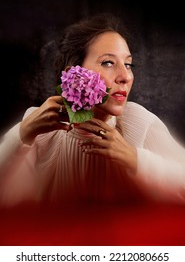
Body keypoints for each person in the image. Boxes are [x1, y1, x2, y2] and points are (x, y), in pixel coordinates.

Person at [0, 12, 185, 208]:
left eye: (128, 64)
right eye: (108, 62)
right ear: (73, 73)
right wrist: (20, 136)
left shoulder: (139, 124)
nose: (126, 76)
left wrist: (135, 159)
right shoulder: (41, 130)